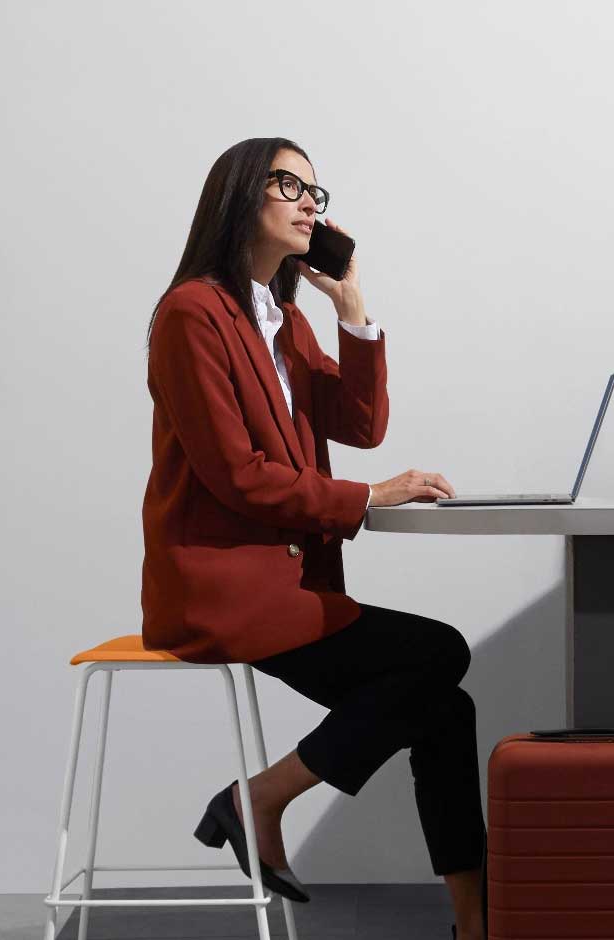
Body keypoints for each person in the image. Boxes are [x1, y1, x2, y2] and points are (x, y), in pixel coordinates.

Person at [141, 137, 484, 939]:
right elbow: (237, 475)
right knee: (438, 655)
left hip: (290, 587)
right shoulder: (193, 312)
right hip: (224, 588)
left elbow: (360, 424)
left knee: (444, 706)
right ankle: (260, 798)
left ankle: (475, 922)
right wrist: (369, 498)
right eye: (287, 184)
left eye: (315, 192)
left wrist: (353, 309)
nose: (308, 203)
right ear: (236, 197)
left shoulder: (282, 317)